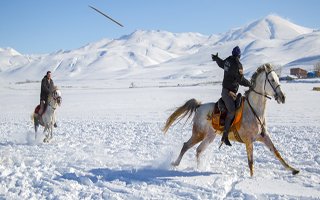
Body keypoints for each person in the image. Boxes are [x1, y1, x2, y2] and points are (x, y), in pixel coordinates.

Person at [211, 46, 251, 146]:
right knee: (232, 110)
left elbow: (221, 64)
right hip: (228, 93)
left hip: (228, 91)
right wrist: (250, 84)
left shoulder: (228, 60)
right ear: (239, 55)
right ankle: (225, 136)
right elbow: (241, 80)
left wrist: (216, 58)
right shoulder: (238, 65)